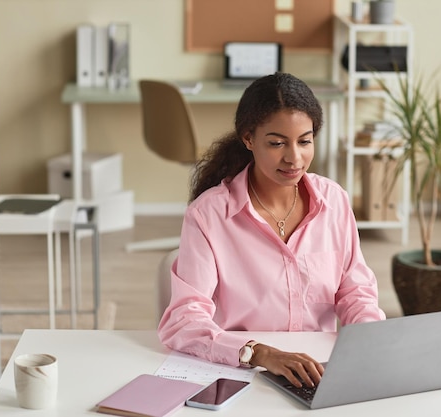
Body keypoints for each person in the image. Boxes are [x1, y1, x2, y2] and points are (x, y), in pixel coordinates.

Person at [158, 72, 385, 388]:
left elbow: (354, 291)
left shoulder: (334, 200)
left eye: (305, 141)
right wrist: (260, 354)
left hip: (319, 372)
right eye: (277, 143)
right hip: (243, 372)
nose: (294, 157)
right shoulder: (208, 215)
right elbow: (182, 322)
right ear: (248, 138)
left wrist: (371, 342)